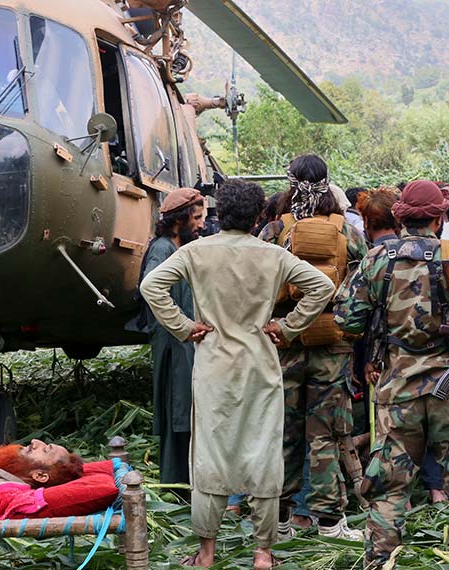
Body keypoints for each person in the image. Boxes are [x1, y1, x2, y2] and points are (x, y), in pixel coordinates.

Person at [140, 179, 335, 569]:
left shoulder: (196, 251)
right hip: (261, 365)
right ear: (258, 215)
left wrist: (184, 326)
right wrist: (288, 326)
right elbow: (322, 285)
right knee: (264, 452)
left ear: (219, 214)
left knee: (210, 455)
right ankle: (263, 552)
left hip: (213, 364)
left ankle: (206, 553)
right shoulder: (273, 255)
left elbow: (151, 285)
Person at [334, 180, 449, 568]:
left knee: (388, 490)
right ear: (439, 217)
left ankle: (378, 562)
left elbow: (346, 319)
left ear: (401, 217)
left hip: (397, 390)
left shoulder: (378, 260)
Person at [258, 155, 368, 541]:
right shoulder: (348, 233)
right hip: (332, 346)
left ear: (290, 184)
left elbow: (258, 286)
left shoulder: (274, 230)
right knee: (326, 433)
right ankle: (329, 521)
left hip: (283, 343)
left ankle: (282, 520)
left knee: (284, 430)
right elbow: (362, 290)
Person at [140, 187, 205, 488]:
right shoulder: (163, 249)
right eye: (196, 218)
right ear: (180, 220)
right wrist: (181, 325)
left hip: (184, 343)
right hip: (173, 344)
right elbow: (152, 289)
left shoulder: (179, 247)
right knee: (178, 410)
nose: (201, 224)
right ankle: (177, 482)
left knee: (186, 409)